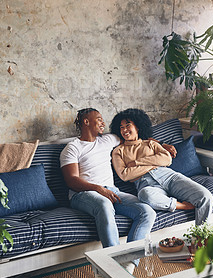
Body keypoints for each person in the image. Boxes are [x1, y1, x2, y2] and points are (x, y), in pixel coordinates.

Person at [60, 107, 157, 262]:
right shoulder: (72, 148)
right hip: (83, 194)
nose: (103, 122)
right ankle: (114, 263)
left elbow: (136, 139)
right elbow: (71, 180)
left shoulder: (108, 140)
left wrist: (160, 146)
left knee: (147, 212)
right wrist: (98, 189)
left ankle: (130, 262)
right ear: (86, 122)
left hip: (112, 191)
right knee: (105, 205)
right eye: (98, 119)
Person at [110, 108, 213, 225]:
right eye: (121, 127)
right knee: (145, 195)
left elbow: (167, 159)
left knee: (205, 197)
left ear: (137, 126)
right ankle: (181, 206)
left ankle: (201, 238)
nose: (124, 130)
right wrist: (154, 163)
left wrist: (136, 163)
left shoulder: (151, 143)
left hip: (169, 177)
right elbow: (125, 175)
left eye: (128, 125)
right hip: (146, 184)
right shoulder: (118, 151)